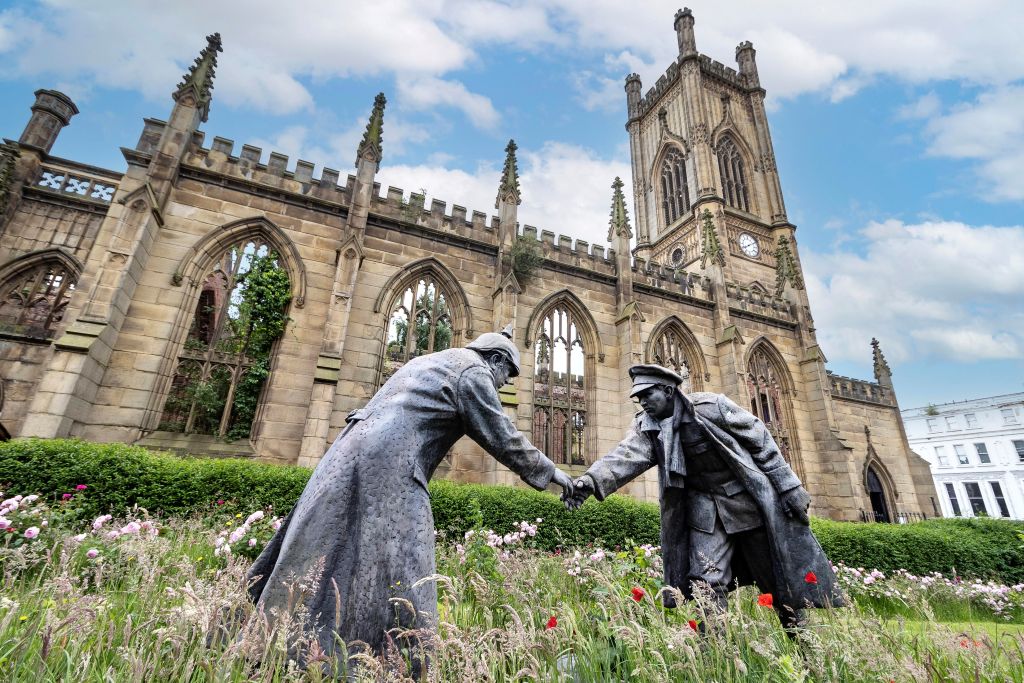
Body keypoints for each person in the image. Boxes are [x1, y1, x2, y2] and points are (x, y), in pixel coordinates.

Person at [247, 324, 574, 667]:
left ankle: (281, 647)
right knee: (407, 559)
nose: (504, 384)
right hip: (392, 461)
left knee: (325, 543)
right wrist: (554, 473)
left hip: (348, 449)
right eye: (507, 374)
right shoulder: (474, 372)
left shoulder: (431, 360)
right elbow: (503, 437)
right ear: (495, 359)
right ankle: (397, 662)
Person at [564, 364, 842, 630]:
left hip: (745, 504)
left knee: (775, 579)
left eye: (648, 394)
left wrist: (790, 486)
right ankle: (715, 654)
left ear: (669, 391)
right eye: (639, 398)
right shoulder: (647, 426)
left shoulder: (712, 407)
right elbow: (624, 457)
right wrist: (588, 482)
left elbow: (760, 438)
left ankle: (803, 644)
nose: (643, 403)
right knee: (706, 583)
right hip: (704, 511)